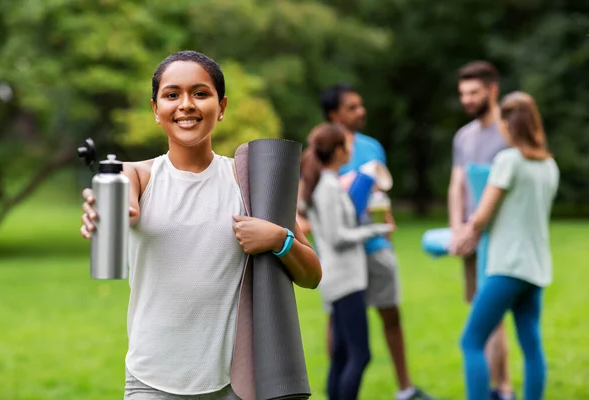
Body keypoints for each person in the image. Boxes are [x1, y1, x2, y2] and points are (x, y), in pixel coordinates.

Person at [79, 50, 322, 400]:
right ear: (155, 110)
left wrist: (278, 239)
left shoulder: (249, 181)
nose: (186, 104)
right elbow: (119, 202)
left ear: (221, 107)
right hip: (151, 379)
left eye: (200, 93)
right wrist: (106, 212)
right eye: (172, 94)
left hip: (235, 382)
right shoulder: (137, 176)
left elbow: (312, 275)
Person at [318, 83, 434, 400]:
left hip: (375, 249)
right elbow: (316, 207)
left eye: (361, 105)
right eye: (352, 107)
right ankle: (341, 385)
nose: (361, 111)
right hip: (342, 258)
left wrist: (386, 219)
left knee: (390, 315)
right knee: (342, 331)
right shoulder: (321, 152)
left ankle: (405, 389)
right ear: (334, 114)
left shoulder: (372, 147)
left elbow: (380, 194)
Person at [452, 91, 559, 400]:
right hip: (535, 270)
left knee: (471, 341)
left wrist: (461, 238)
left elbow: (481, 216)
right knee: (531, 347)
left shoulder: (508, 160)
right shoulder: (549, 166)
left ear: (508, 126)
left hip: (506, 268)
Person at [301, 122, 392, 400]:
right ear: (338, 150)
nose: (350, 150)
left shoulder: (327, 182)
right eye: (347, 145)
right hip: (345, 281)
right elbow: (336, 236)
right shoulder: (327, 186)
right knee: (360, 355)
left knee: (341, 355)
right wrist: (377, 230)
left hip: (341, 279)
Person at [447, 61, 513, 400]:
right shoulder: (464, 136)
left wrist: (475, 227)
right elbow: (457, 184)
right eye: (463, 94)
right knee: (480, 310)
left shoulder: (510, 132)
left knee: (493, 314)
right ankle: (501, 386)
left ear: (492, 90)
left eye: (474, 92)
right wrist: (458, 228)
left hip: (502, 236)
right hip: (471, 237)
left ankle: (501, 388)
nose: (467, 100)